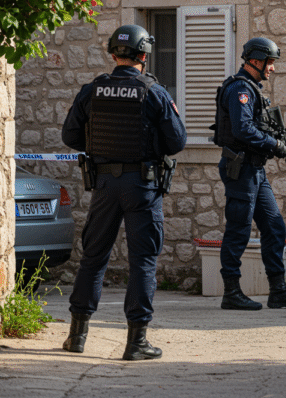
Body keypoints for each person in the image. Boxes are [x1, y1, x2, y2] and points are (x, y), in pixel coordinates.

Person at [60, 24, 187, 360]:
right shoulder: (154, 92)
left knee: (93, 258)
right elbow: (176, 142)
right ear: (144, 55)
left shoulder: (93, 90)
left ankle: (76, 337)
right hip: (142, 186)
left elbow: (70, 138)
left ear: (113, 53)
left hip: (103, 185)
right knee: (143, 261)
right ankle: (136, 343)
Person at [212, 37, 286, 311]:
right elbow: (243, 129)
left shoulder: (252, 88)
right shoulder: (241, 89)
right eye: (269, 62)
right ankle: (231, 292)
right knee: (238, 230)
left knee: (274, 226)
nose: (272, 68)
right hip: (241, 168)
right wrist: (274, 145)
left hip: (255, 169)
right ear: (255, 60)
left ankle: (277, 290)